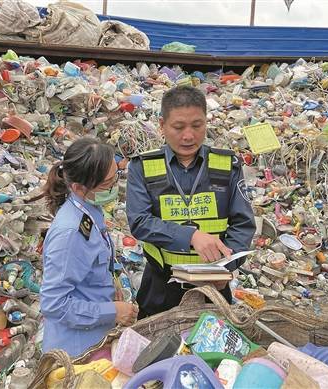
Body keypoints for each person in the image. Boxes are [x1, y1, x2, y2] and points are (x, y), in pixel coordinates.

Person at [126, 86, 256, 318]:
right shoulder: (143, 167)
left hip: (213, 288)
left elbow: (243, 224)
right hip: (160, 287)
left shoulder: (226, 166)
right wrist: (191, 236)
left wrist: (224, 271)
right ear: (162, 125)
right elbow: (140, 222)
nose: (189, 135)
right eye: (178, 127)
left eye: (197, 126)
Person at [40, 137, 138, 357]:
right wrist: (112, 312)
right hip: (76, 351)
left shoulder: (89, 211)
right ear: (78, 187)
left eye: (116, 178)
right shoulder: (70, 233)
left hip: (95, 337)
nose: (115, 187)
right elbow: (54, 304)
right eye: (107, 184)